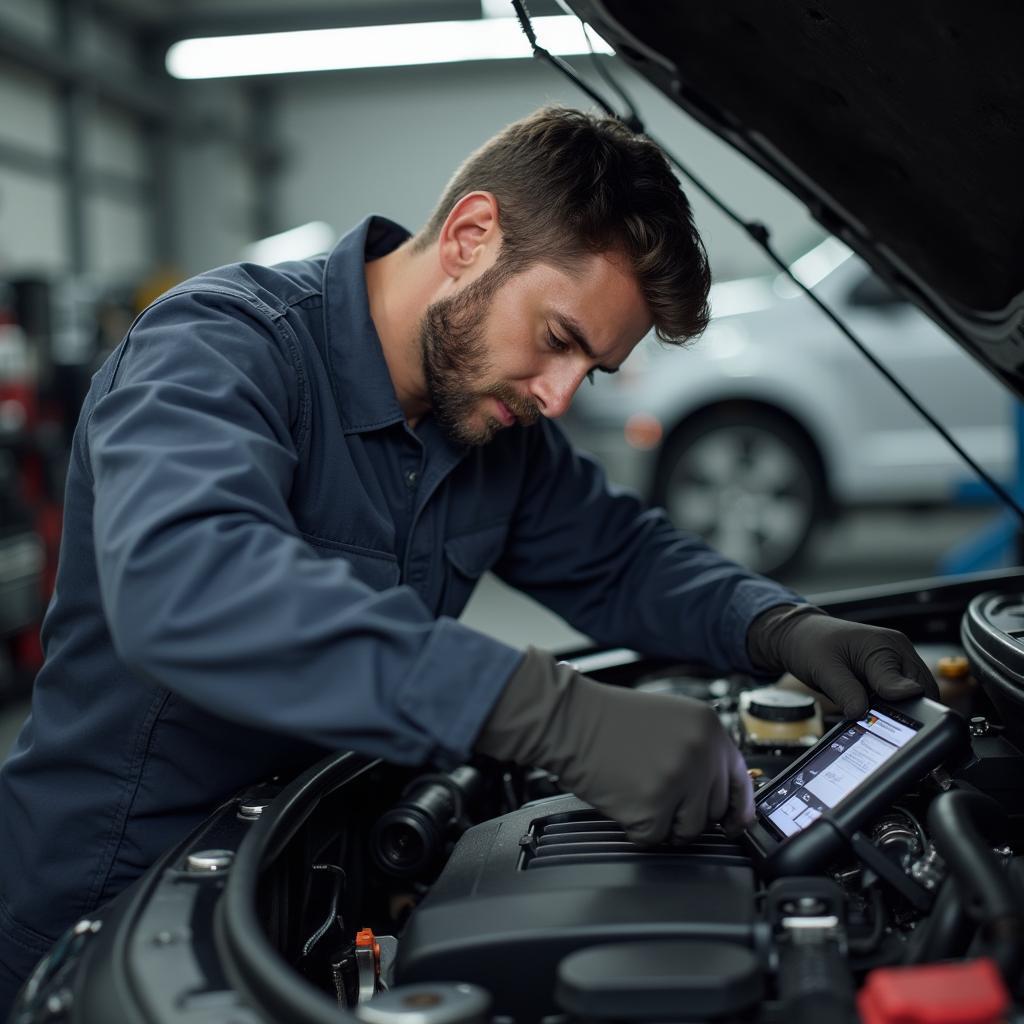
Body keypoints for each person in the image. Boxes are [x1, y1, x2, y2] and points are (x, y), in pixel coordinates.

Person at [0, 106, 937, 1013]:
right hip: (116, 916)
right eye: (560, 340)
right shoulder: (217, 351)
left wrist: (778, 625)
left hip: (315, 882)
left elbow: (618, 556)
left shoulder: (490, 426)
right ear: (471, 235)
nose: (560, 395)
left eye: (592, 370)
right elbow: (191, 587)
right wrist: (546, 713)